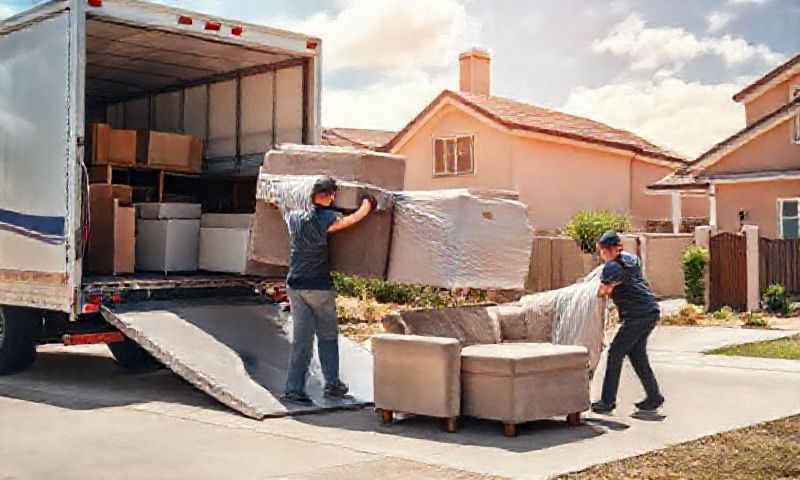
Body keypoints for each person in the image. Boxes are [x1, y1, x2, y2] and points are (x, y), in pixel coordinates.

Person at [282, 176, 374, 405]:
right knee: (327, 337)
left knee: (302, 341)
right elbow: (352, 220)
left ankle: (294, 388)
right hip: (318, 286)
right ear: (331, 195)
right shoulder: (327, 218)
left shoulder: (293, 218)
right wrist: (368, 204)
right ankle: (332, 384)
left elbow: (279, 206)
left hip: (294, 285)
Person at [591, 230, 665, 414]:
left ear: (607, 250)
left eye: (602, 250)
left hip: (637, 315)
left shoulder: (612, 267)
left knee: (615, 353)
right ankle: (654, 397)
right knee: (637, 355)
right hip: (650, 311)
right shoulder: (630, 259)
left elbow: (603, 291)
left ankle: (607, 401)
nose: (601, 254)